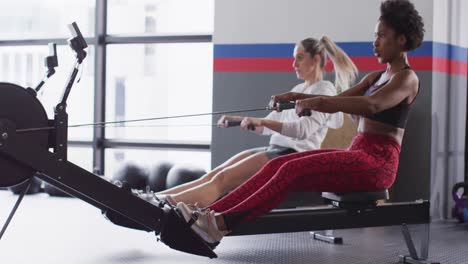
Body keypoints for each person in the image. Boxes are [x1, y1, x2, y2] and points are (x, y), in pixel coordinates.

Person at [174, 0, 425, 247]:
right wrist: (294, 97)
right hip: (358, 153)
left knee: (291, 171)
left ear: (401, 39)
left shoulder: (407, 79)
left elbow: (373, 105)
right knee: (282, 163)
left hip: (378, 164)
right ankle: (207, 216)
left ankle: (219, 224)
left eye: (382, 35)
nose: (375, 42)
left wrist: (313, 103)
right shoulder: (376, 77)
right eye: (375, 35)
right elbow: (335, 100)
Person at [156, 36, 358, 207]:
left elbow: (302, 131)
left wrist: (263, 123)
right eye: (294, 58)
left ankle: (161, 205)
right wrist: (238, 120)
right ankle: (154, 198)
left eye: (299, 58)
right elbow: (267, 126)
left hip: (292, 156)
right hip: (276, 149)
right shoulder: (300, 89)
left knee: (221, 181)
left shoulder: (323, 90)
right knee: (214, 174)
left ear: (315, 60)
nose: (294, 64)